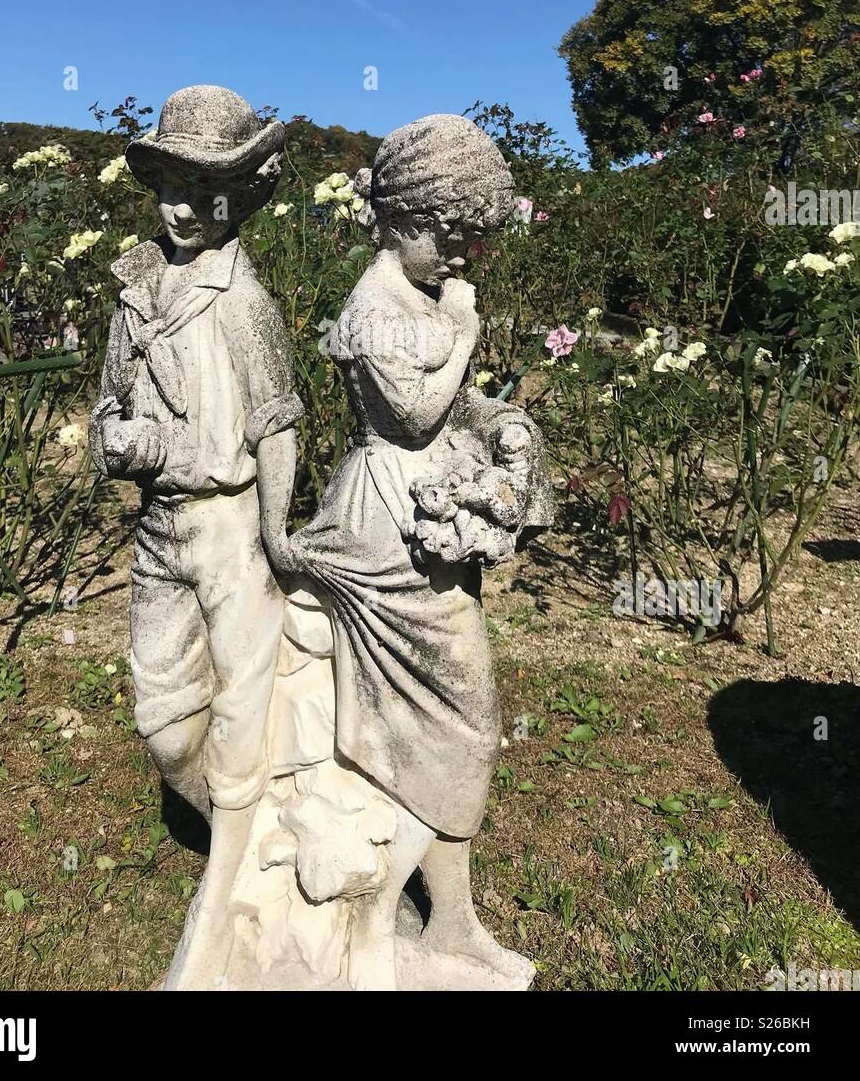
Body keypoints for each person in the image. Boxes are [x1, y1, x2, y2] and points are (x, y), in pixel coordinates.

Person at [276, 114, 552, 989]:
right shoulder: (372, 303)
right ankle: (377, 908)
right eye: (447, 234)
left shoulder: (422, 294)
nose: (462, 254)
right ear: (398, 225)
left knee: (451, 722)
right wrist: (467, 328)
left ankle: (451, 924)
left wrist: (500, 421)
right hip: (387, 521)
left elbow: (451, 404)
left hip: (422, 515)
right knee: (448, 718)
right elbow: (412, 416)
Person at [89, 85, 303, 989]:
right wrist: (118, 437)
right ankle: (244, 845)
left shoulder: (244, 303)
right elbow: (107, 403)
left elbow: (278, 422)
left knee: (246, 715)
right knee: (168, 723)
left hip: (228, 531)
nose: (181, 207)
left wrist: (279, 535)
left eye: (202, 189)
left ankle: (239, 885)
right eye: (168, 184)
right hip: (159, 535)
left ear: (241, 196)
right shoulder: (136, 292)